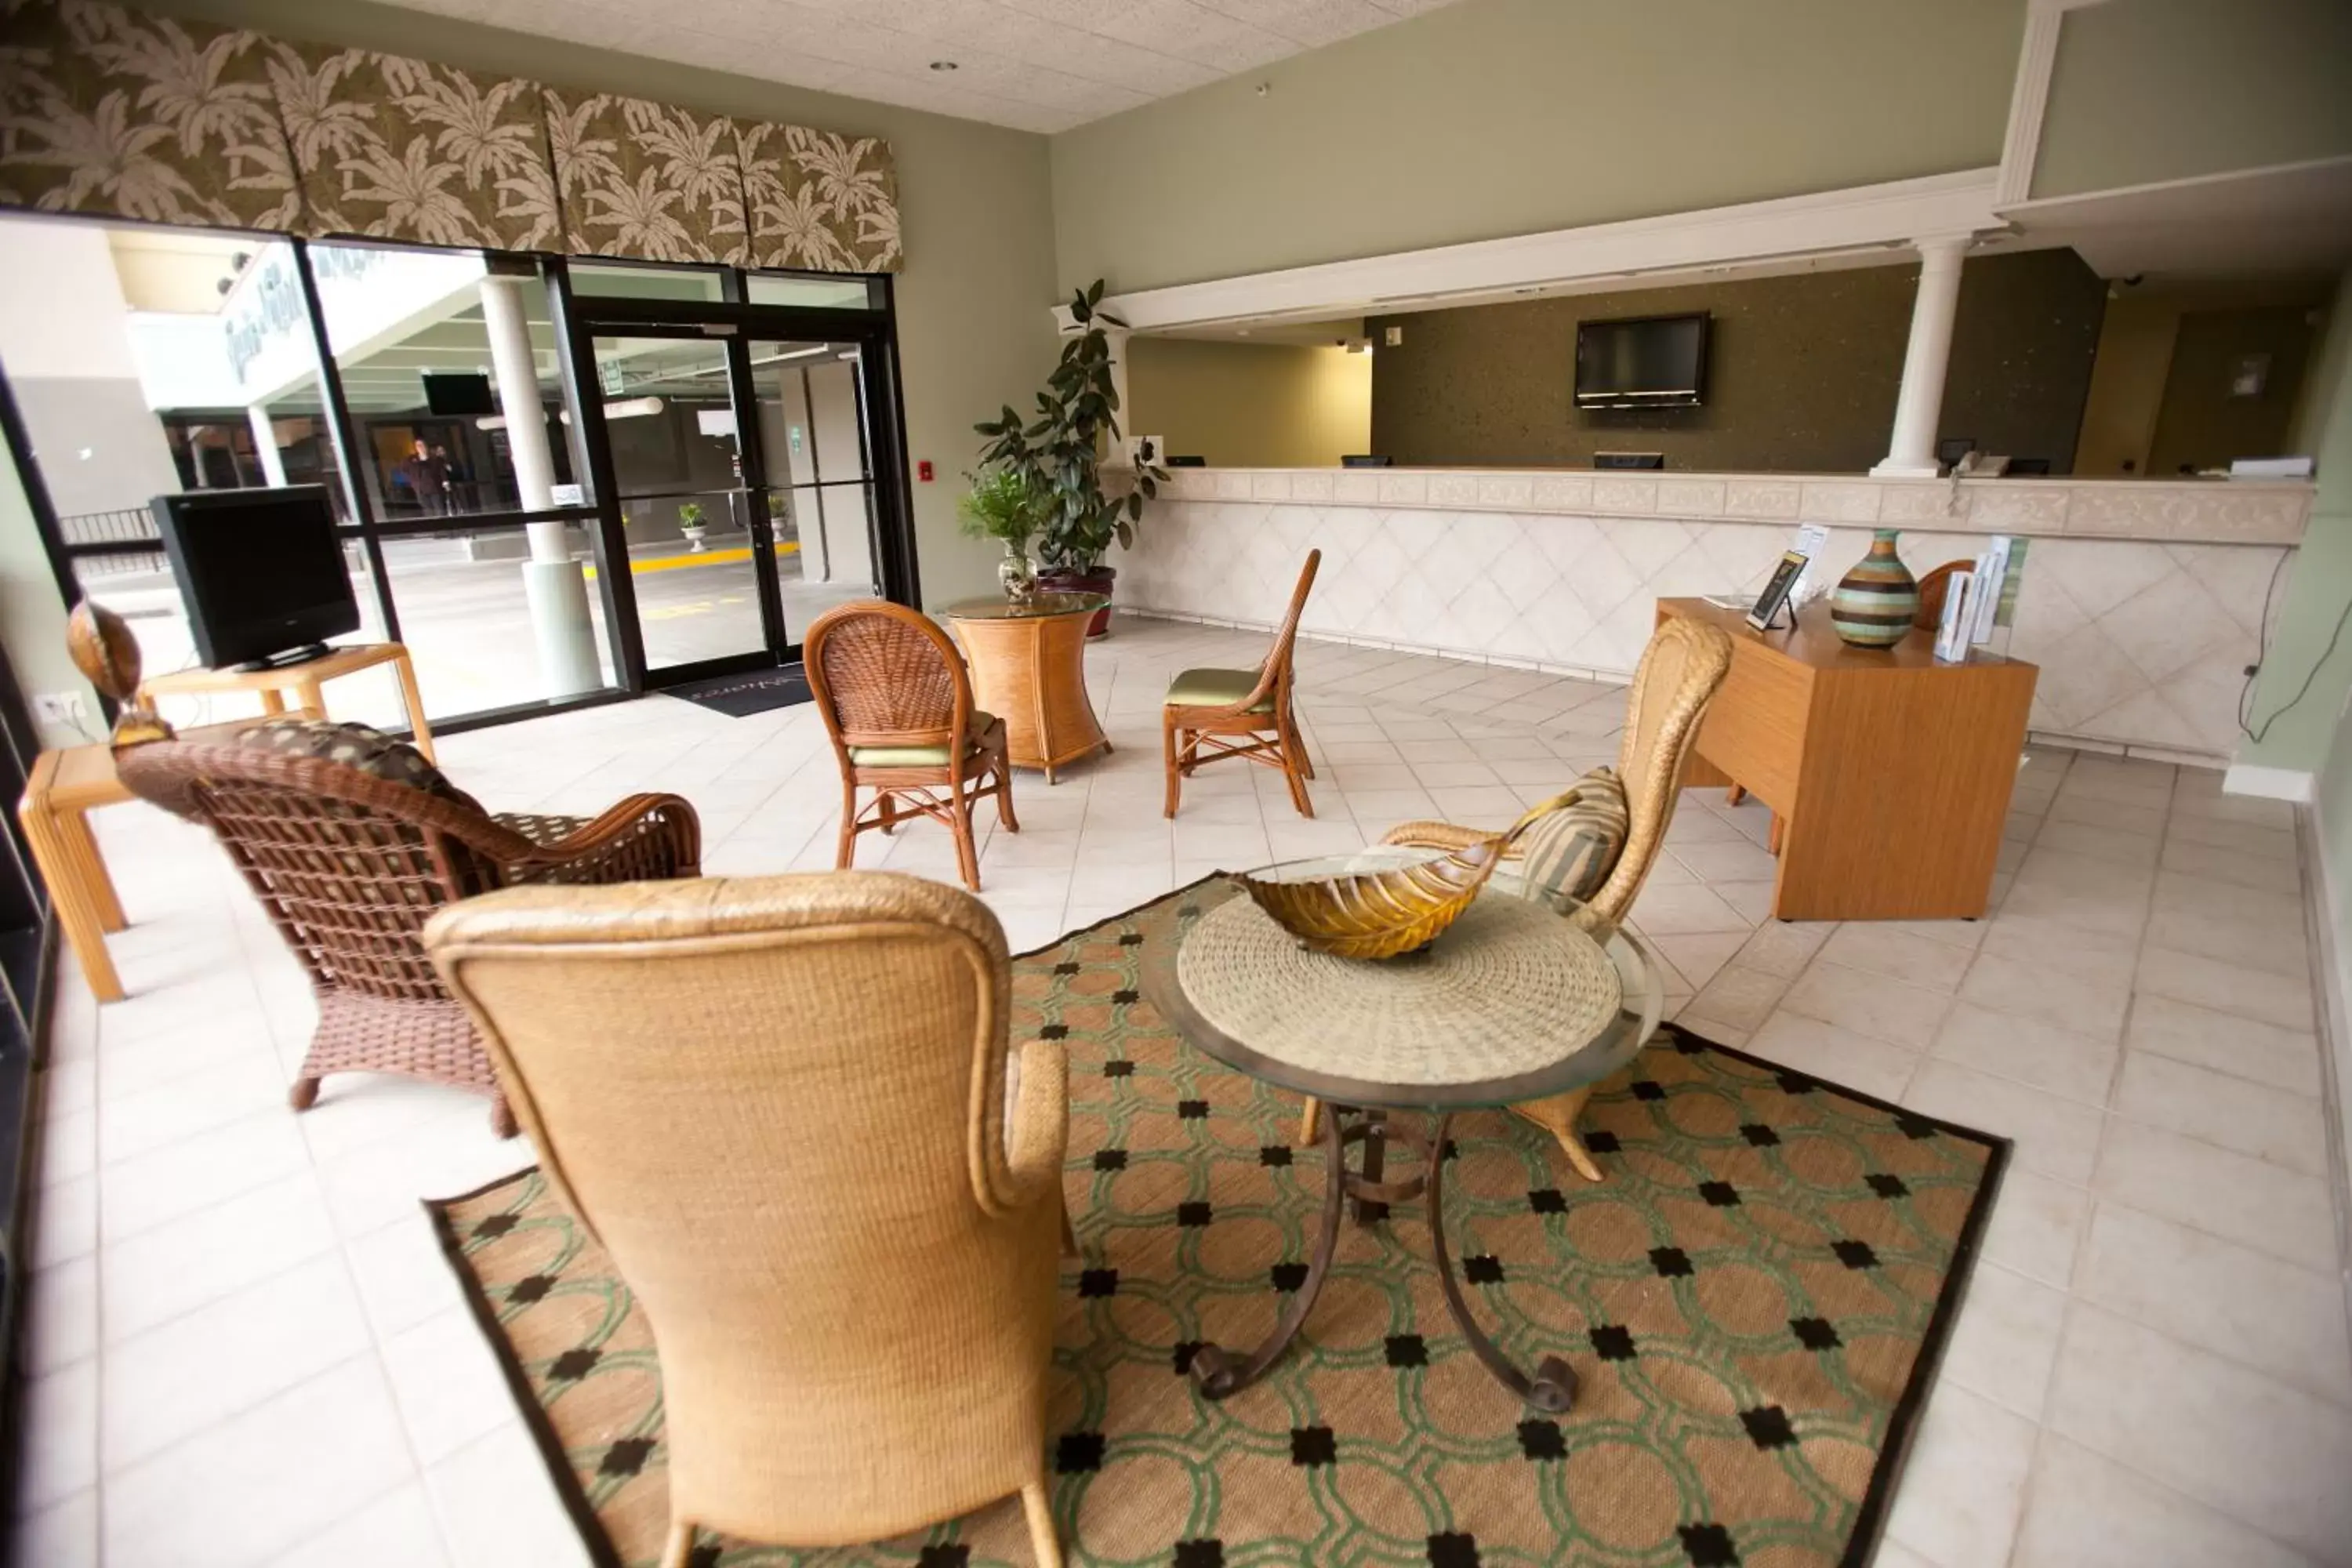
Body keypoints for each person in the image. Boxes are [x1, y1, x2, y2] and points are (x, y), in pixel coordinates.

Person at [397, 437, 449, 516]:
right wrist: (412, 480)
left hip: (435, 489)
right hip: (421, 491)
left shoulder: (435, 459)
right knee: (428, 512)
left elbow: (442, 471)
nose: (420, 447)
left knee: (440, 511)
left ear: (426, 446)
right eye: (418, 446)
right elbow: (404, 469)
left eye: (422, 445)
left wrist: (446, 482)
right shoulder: (412, 460)